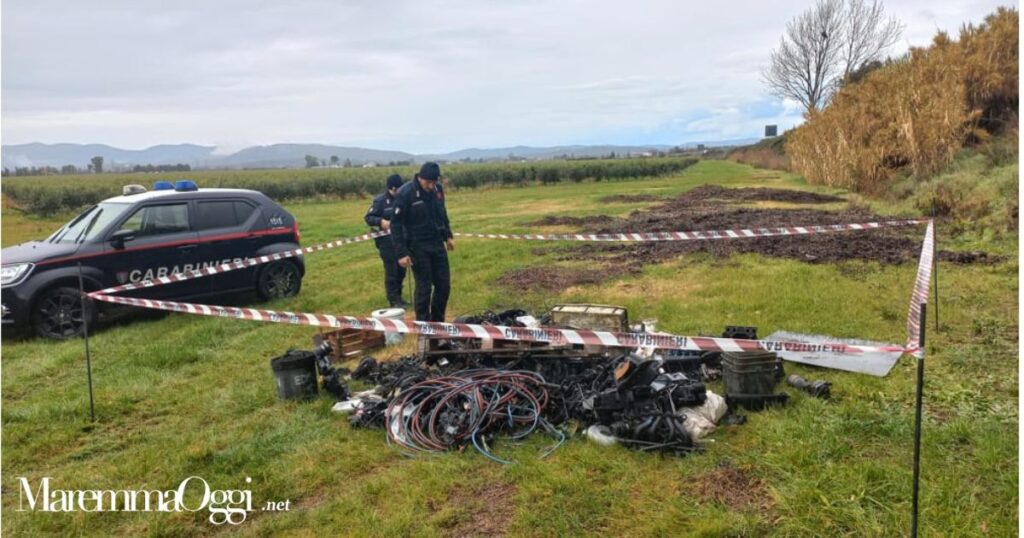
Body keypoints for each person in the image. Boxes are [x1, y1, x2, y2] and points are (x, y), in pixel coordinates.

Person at [390, 162, 454, 322]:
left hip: (436, 243)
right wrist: (401, 253)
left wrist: (448, 236)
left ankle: (438, 322)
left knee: (443, 286)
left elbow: (442, 213)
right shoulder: (406, 193)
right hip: (417, 246)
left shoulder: (437, 190)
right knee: (424, 288)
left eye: (434, 182)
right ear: (420, 178)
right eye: (428, 182)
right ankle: (423, 325)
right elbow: (395, 224)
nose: (431, 186)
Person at [364, 173, 408, 307]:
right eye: (397, 190)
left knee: (401, 271)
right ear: (391, 188)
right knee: (391, 272)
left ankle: (399, 297)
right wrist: (380, 221)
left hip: (402, 241)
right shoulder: (380, 201)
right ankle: (393, 300)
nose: (399, 192)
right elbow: (368, 218)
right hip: (386, 243)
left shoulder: (403, 198)